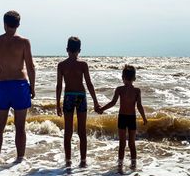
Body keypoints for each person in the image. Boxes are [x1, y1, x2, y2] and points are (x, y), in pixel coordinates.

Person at [0, 10, 35, 165]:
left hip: (3, 85)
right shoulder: (24, 42)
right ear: (18, 24)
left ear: (4, 23)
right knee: (20, 126)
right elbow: (30, 66)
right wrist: (32, 87)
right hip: (20, 85)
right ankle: (20, 158)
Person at [56, 37, 100, 167]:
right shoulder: (83, 65)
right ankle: (83, 161)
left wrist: (58, 104)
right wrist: (96, 101)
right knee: (82, 131)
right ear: (79, 50)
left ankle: (68, 161)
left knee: (68, 131)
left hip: (68, 96)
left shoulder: (61, 65)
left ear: (67, 49)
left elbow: (59, 86)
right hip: (81, 96)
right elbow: (89, 84)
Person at [97, 65, 147, 169]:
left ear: (123, 77)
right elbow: (139, 106)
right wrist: (144, 118)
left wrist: (102, 109)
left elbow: (112, 103)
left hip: (122, 118)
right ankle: (133, 165)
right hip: (131, 118)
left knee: (122, 144)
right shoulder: (137, 91)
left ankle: (120, 165)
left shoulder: (119, 89)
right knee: (132, 144)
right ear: (134, 78)